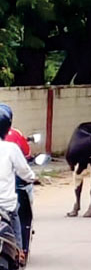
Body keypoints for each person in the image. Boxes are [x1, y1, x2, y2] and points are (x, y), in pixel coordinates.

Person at [0, 107, 35, 261]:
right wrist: (32, 177)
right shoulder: (11, 148)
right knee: (16, 217)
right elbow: (25, 171)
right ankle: (19, 252)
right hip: (5, 203)